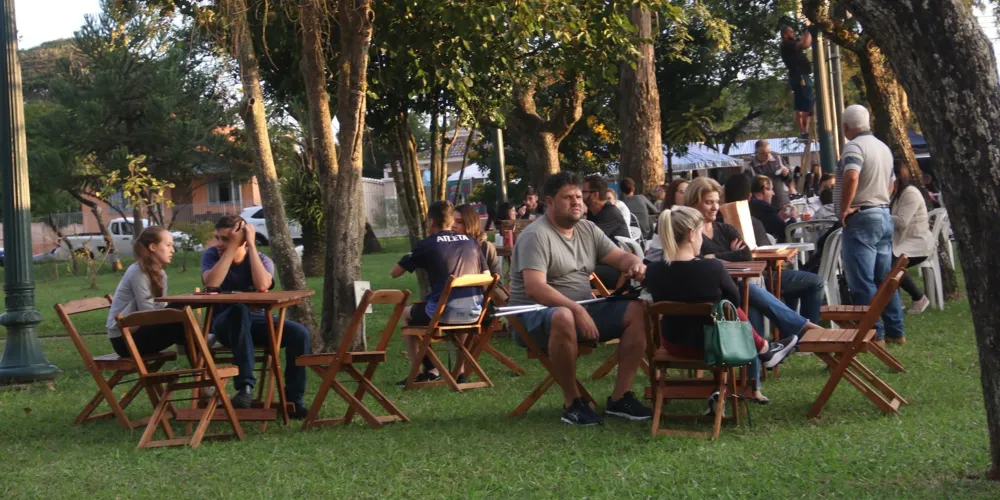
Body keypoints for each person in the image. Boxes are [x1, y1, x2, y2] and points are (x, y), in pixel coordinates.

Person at [508, 171, 653, 426]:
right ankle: (572, 402)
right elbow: (535, 289)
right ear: (549, 202)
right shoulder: (535, 235)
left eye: (578, 196)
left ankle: (621, 397)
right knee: (562, 316)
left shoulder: (587, 229)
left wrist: (635, 262)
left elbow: (620, 257)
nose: (576, 202)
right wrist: (575, 309)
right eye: (568, 198)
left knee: (638, 309)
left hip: (582, 308)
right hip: (532, 316)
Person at [645, 206, 800, 403]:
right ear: (692, 235)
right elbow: (734, 302)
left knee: (720, 311)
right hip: (717, 346)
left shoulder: (653, 272)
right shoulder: (713, 268)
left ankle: (755, 360)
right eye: (701, 233)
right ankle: (764, 351)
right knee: (729, 309)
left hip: (673, 345)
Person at [685, 177, 823, 343]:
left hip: (745, 283)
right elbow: (697, 261)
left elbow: (745, 255)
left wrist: (714, 257)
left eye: (716, 201)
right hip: (718, 291)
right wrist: (728, 256)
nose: (715, 207)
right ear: (693, 204)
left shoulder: (725, 228)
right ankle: (800, 332)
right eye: (708, 202)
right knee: (748, 290)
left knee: (751, 292)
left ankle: (796, 339)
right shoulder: (689, 233)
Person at [201, 216, 312, 416]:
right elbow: (212, 284)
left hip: (259, 322)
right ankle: (245, 388)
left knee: (300, 333)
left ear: (243, 239)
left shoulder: (262, 259)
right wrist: (230, 249)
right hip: (224, 325)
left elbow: (262, 286)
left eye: (226, 239)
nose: (219, 243)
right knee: (239, 309)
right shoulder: (211, 255)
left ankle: (293, 401)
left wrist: (250, 246)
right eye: (218, 238)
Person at [390, 200, 490, 384]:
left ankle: (423, 371)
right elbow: (487, 276)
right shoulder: (471, 242)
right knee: (457, 306)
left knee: (406, 314)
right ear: (452, 221)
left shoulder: (428, 244)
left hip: (442, 314)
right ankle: (459, 372)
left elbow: (394, 273)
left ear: (431, 222)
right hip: (474, 313)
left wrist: (415, 256)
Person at [835, 104, 904, 343]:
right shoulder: (883, 147)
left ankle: (874, 333)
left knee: (861, 279)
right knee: (884, 280)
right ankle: (897, 332)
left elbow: (852, 175)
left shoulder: (853, 147)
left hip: (862, 216)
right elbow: (892, 183)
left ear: (846, 127)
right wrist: (880, 199)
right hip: (883, 213)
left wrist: (845, 208)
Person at [106, 227, 187, 359]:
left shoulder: (160, 274)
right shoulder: (138, 272)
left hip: (140, 331)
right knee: (180, 321)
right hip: (125, 340)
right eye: (168, 245)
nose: (173, 250)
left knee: (180, 312)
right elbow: (147, 313)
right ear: (153, 247)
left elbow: (160, 308)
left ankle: (192, 347)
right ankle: (197, 352)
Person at [890, 161, 933, 314]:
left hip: (917, 244)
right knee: (883, 260)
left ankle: (919, 297)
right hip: (904, 242)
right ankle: (896, 302)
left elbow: (902, 221)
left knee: (890, 264)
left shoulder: (910, 193)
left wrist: (879, 215)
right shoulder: (897, 194)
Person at [583, 175, 630, 287]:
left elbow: (585, 241)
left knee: (573, 273)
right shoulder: (593, 212)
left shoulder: (610, 213)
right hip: (600, 264)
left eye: (583, 191)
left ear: (594, 195)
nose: (579, 195)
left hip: (617, 270)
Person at [780, 24, 814, 139]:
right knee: (807, 105)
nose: (793, 33)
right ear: (785, 34)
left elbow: (801, 38)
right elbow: (805, 44)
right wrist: (810, 30)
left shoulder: (788, 44)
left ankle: (803, 132)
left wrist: (807, 30)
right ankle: (806, 130)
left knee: (799, 106)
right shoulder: (788, 44)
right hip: (801, 77)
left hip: (796, 77)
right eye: (791, 32)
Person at [455, 203, 502, 277]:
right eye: (451, 221)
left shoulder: (485, 247)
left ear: (471, 224)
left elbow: (497, 282)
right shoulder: (447, 247)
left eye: (459, 222)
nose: (453, 225)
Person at [749, 175, 797, 243]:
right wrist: (793, 218)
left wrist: (778, 215)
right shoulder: (763, 207)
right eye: (771, 189)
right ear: (765, 190)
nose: (773, 193)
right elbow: (785, 232)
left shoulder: (750, 203)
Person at [748, 139, 791, 210]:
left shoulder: (777, 158)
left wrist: (786, 174)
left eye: (769, 152)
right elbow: (751, 188)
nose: (767, 155)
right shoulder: (751, 167)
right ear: (756, 153)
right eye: (763, 153)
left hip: (783, 200)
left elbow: (790, 178)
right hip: (765, 205)